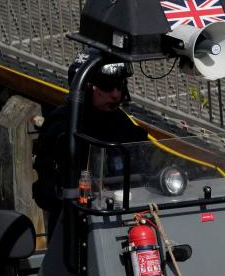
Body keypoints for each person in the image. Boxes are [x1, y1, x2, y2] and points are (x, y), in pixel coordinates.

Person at [32, 57, 146, 228]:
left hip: (124, 213)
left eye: (120, 86)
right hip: (77, 222)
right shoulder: (63, 125)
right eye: (107, 86)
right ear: (86, 87)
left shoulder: (120, 121)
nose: (116, 94)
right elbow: (51, 185)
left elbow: (142, 159)